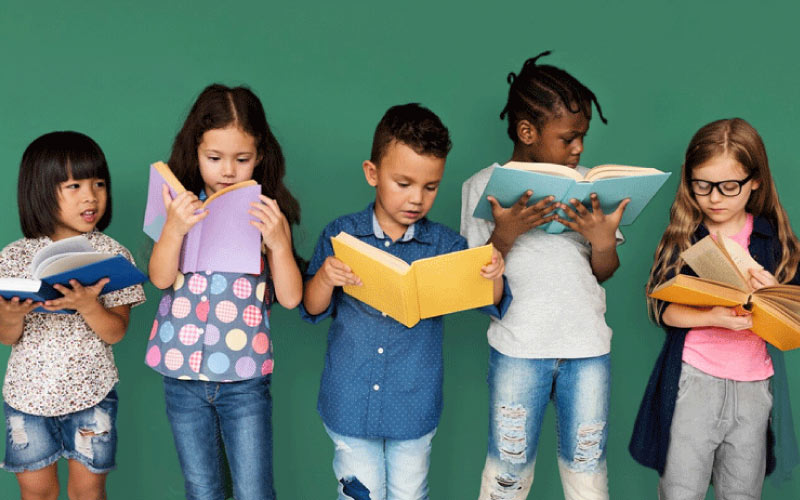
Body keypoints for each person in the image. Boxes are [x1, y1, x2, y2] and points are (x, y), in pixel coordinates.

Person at [301, 103, 511, 500]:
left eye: (430, 187)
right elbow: (312, 307)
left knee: (410, 494)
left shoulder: (447, 246)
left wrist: (494, 275)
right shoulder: (342, 234)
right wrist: (326, 277)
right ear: (372, 173)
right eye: (403, 183)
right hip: (349, 401)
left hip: (413, 405)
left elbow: (490, 302)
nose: (417, 198)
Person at [460, 51, 627, 500]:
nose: (579, 149)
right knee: (508, 469)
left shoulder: (591, 184)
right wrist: (505, 234)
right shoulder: (482, 188)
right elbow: (476, 285)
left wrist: (602, 239)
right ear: (527, 132)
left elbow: (604, 272)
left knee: (587, 468)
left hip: (588, 348)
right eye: (569, 138)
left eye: (583, 137)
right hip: (518, 348)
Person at [144, 84, 303, 500]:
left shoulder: (266, 214)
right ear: (195, 152)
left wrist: (281, 245)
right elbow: (160, 278)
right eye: (214, 158)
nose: (228, 170)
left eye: (242, 159)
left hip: (244, 378)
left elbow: (289, 298)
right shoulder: (179, 206)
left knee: (253, 491)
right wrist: (174, 229)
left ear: (261, 156)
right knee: (202, 488)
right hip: (181, 374)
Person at [629, 118, 800, 498]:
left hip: (755, 386)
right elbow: (663, 311)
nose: (714, 198)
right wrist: (713, 317)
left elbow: (794, 315)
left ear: (755, 180)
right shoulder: (686, 235)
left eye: (728, 187)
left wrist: (775, 292)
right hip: (694, 380)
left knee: (742, 490)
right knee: (681, 488)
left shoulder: (774, 239)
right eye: (702, 185)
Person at [0, 131, 146, 500]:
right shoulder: (14, 257)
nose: (90, 196)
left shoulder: (113, 255)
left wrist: (88, 305)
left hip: (91, 394)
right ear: (40, 191)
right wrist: (13, 315)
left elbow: (116, 333)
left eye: (99, 183)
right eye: (74, 185)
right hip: (27, 398)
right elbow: (6, 337)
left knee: (89, 492)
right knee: (36, 493)